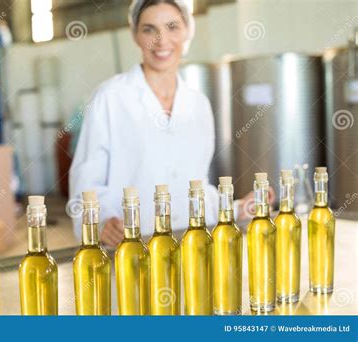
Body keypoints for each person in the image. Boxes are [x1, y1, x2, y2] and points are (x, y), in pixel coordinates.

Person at [69, 0, 274, 247]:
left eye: (172, 27)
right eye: (149, 29)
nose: (161, 40)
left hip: (190, 248)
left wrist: (237, 208)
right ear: (135, 34)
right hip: (132, 251)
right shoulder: (110, 98)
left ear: (187, 30)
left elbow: (196, 186)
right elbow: (85, 184)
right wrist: (101, 223)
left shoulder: (198, 104)